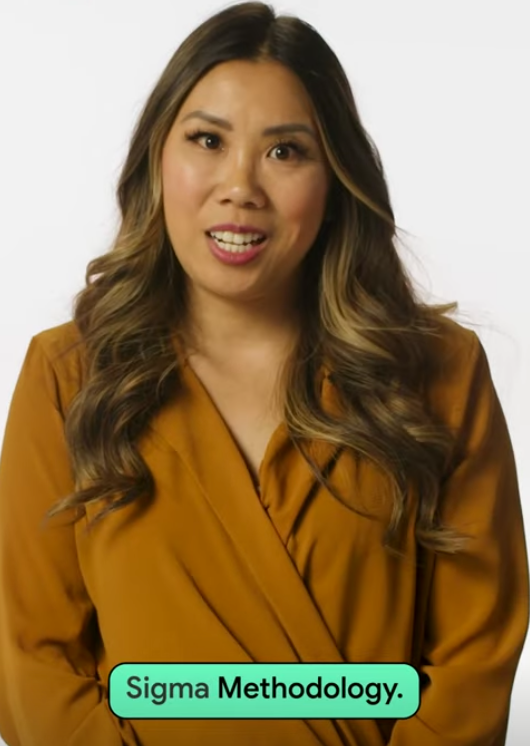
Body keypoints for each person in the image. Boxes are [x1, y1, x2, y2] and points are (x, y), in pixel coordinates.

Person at [0, 2, 528, 744]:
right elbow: (33, 660)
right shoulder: (67, 377)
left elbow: (476, 656)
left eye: (286, 152)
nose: (240, 185)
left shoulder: (438, 372)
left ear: (335, 177)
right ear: (159, 156)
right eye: (207, 140)